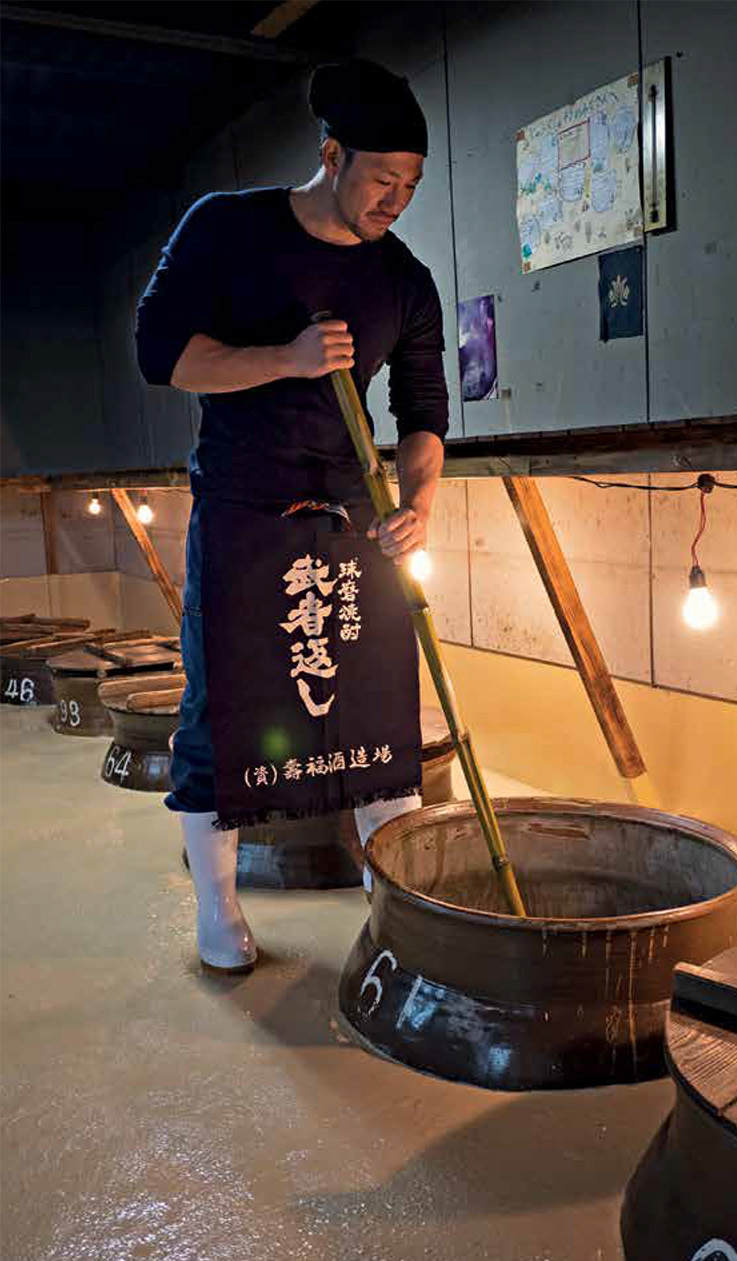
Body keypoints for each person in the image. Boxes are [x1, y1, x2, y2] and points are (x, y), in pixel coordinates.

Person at [135, 59, 448, 973]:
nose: (397, 199)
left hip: (353, 519)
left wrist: (418, 504)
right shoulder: (227, 229)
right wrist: (290, 358)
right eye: (383, 179)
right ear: (331, 153)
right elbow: (166, 357)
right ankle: (220, 913)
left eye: (413, 185)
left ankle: (396, 904)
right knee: (220, 709)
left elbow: (424, 415)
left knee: (379, 711)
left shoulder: (405, 280)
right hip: (243, 507)